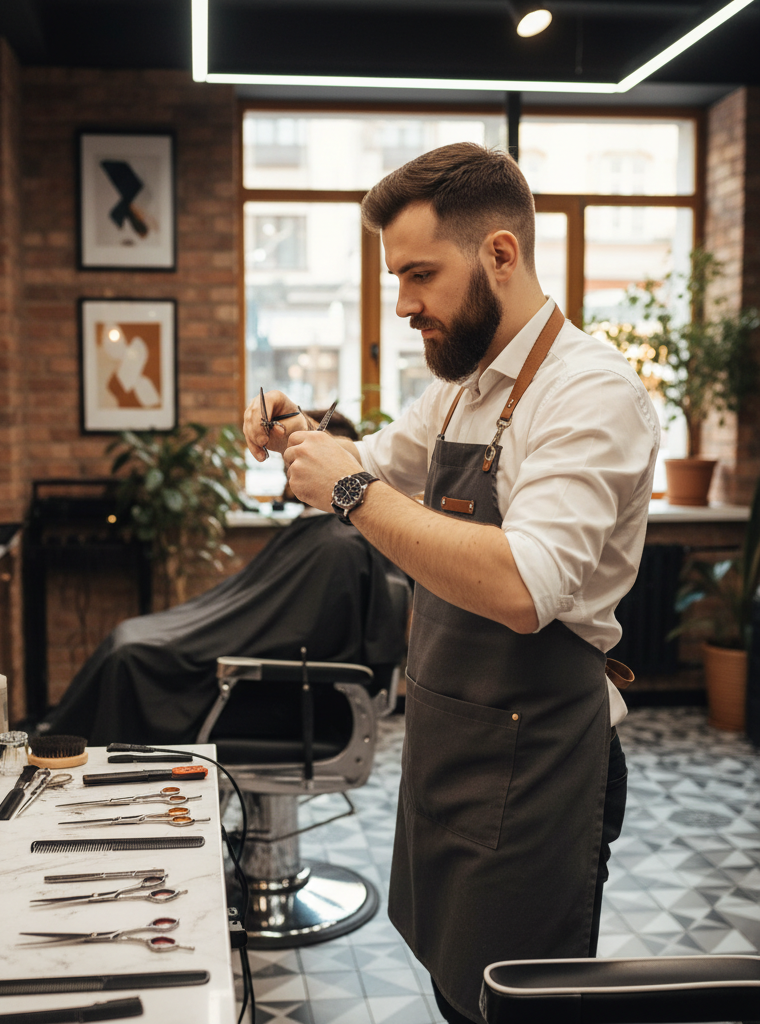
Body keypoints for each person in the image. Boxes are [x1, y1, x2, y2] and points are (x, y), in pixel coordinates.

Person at [243, 142, 659, 1024]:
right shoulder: (461, 391)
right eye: (398, 278)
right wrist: (303, 435)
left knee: (510, 1006)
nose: (403, 305)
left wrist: (349, 490)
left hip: (543, 760)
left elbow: (523, 583)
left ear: (500, 255)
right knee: (449, 989)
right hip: (451, 741)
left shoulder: (590, 393)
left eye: (421, 274)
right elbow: (371, 465)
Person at [37, 411, 410, 746]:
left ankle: (61, 759)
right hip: (261, 668)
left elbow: (295, 632)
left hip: (283, 697)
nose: (289, 469)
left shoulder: (338, 546)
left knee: (131, 656)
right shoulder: (324, 534)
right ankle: (55, 752)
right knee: (127, 638)